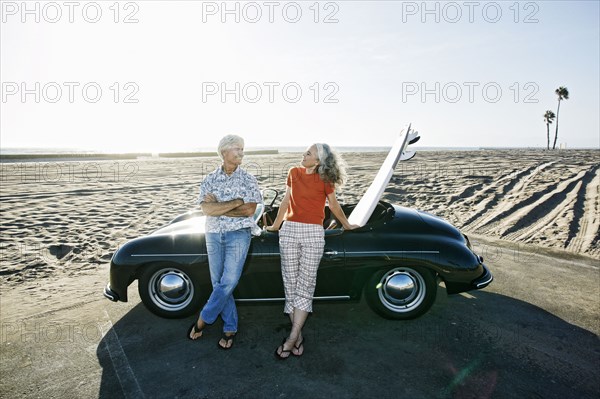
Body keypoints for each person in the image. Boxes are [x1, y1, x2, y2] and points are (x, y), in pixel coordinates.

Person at [267, 143, 359, 359]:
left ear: (317, 161)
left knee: (305, 285)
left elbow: (334, 206)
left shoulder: (325, 180)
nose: (304, 154)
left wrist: (347, 226)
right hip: (289, 231)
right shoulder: (294, 172)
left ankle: (291, 338)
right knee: (290, 284)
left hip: (313, 234)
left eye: (309, 153)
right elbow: (285, 202)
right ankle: (297, 337)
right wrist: (275, 226)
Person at [188, 134, 262, 350]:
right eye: (237, 148)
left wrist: (220, 206)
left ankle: (203, 319)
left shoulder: (248, 179)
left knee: (228, 281)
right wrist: (235, 202)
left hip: (239, 234)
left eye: (243, 149)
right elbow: (206, 210)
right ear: (224, 151)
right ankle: (230, 327)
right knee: (218, 283)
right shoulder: (209, 179)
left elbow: (249, 210)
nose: (241, 152)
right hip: (212, 234)